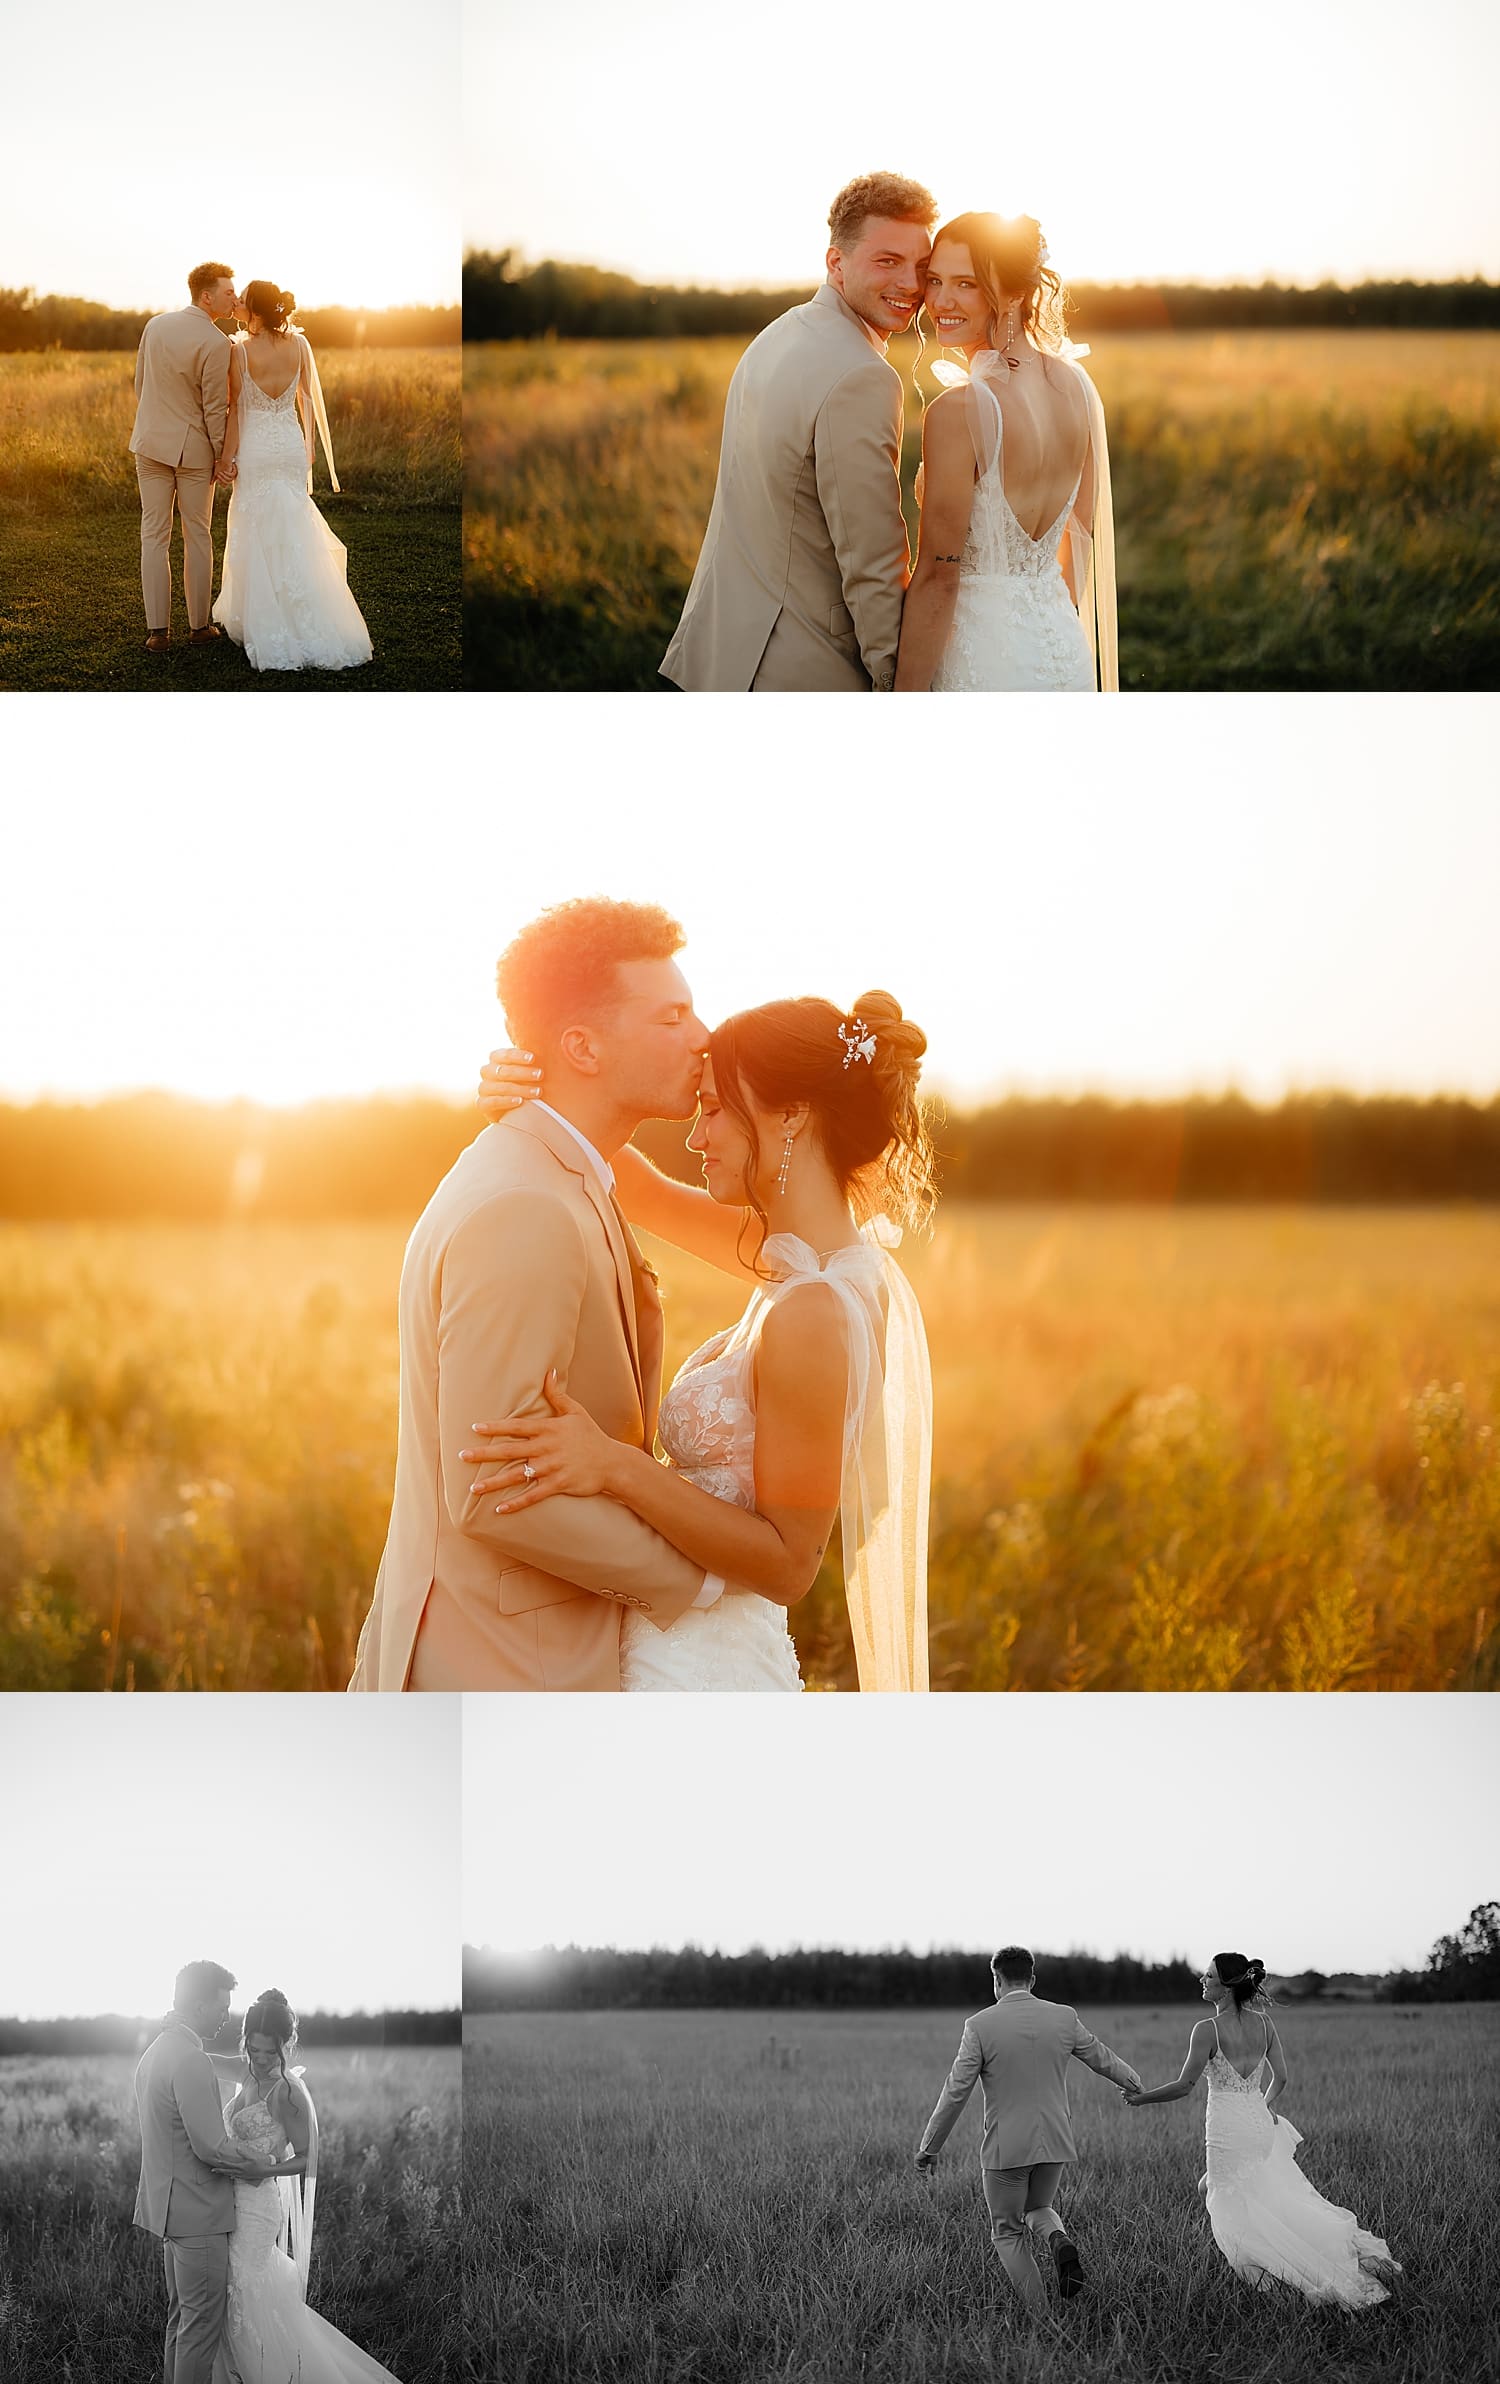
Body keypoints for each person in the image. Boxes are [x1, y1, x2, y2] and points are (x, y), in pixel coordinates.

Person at [468, 981, 935, 1691]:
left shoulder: (814, 1308)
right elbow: (645, 1192)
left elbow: (789, 1565)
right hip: (678, 1642)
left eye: (714, 1109)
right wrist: (536, 1096)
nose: (696, 1135)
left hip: (708, 1672)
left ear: (790, 1117)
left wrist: (615, 1466)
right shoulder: (799, 1258)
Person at [348, 900, 724, 1691]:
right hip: (503, 1670)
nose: (703, 1037)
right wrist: (700, 1585)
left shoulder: (563, 1172)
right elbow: (494, 1495)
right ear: (581, 1045)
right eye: (674, 1016)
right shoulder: (525, 1203)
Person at [661, 172, 936, 691]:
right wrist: (895, 680)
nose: (911, 285)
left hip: (720, 650)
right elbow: (872, 558)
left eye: (921, 267)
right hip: (801, 665)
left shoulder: (776, 334)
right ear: (837, 262)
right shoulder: (863, 376)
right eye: (887, 261)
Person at [895, 213, 1117, 691]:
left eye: (966, 284)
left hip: (982, 663)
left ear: (1015, 293)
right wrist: (1044, 634)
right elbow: (1079, 534)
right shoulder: (1076, 386)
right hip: (1062, 650)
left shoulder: (959, 411)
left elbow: (938, 576)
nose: (940, 301)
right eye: (934, 280)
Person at [1124, 1953, 1401, 2306]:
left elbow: (1184, 2086)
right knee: (1245, 2192)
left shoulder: (1206, 2030)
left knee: (1228, 2202)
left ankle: (1274, 2278)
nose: (1202, 1981)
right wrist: (1263, 2106)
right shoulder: (1265, 2023)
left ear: (1226, 1988)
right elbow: (1281, 2077)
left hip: (1227, 2129)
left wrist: (1142, 2098)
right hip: (1256, 2121)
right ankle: (1295, 2253)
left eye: (1208, 1976)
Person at [914, 1948, 1141, 2313]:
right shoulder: (1063, 2017)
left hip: (1006, 2149)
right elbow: (1102, 2057)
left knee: (1006, 2231)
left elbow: (956, 2091)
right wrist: (1134, 2082)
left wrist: (930, 2145)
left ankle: (1042, 2317)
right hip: (1055, 2140)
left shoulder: (980, 2025)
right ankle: (1058, 2238)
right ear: (1032, 1980)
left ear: (996, 1980)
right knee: (1039, 2207)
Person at [208, 1988, 400, 2380]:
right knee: (232, 2290)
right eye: (253, 2049)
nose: (261, 2060)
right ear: (245, 2042)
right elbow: (199, 2061)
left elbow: (308, 2157)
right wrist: (177, 2032)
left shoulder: (287, 2092)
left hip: (259, 2207)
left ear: (285, 2045)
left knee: (243, 2291)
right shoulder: (245, 2071)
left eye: (270, 2052)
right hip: (228, 2200)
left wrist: (266, 2172)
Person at [211, 280, 373, 672]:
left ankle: (265, 618)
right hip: (289, 446)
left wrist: (224, 458)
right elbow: (308, 400)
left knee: (256, 526)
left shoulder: (240, 352)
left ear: (256, 311)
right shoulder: (300, 346)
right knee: (294, 526)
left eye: (243, 303)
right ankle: (312, 614)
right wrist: (309, 446)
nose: (238, 307)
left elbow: (235, 412)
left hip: (256, 449)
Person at [132, 1960, 278, 2384]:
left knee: (181, 2322)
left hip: (169, 2212)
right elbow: (211, 2147)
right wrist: (261, 2165)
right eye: (221, 2006)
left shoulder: (155, 2053)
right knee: (200, 2331)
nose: (225, 2016)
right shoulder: (190, 2059)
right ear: (198, 2005)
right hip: (198, 2217)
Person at [129, 263, 235, 656]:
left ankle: (157, 632)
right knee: (198, 534)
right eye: (227, 292)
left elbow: (140, 383)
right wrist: (223, 454)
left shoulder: (155, 326)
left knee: (153, 535)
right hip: (193, 452)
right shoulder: (216, 342)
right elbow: (214, 407)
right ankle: (199, 627)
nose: (233, 298)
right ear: (206, 296)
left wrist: (157, 422)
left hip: (150, 444)